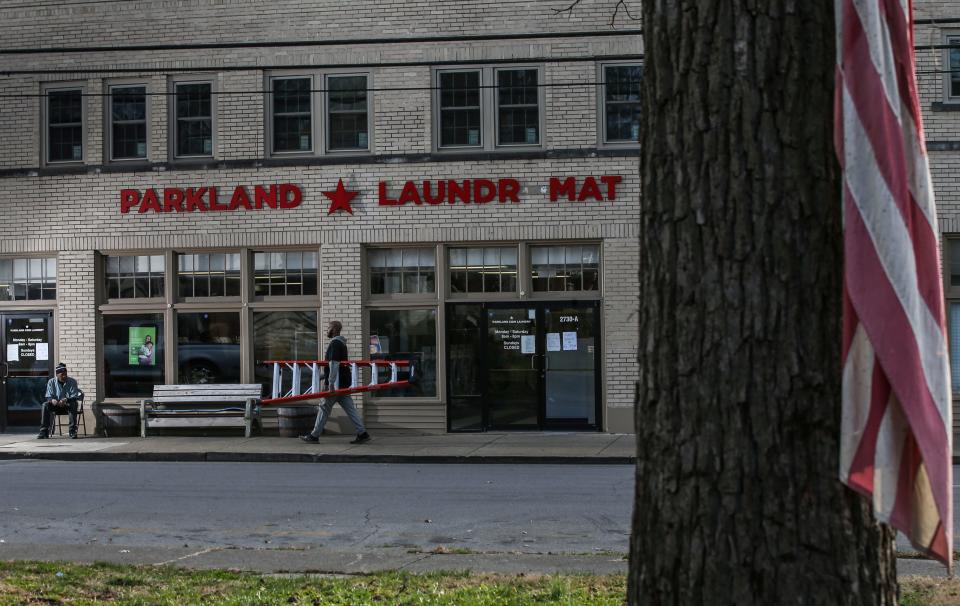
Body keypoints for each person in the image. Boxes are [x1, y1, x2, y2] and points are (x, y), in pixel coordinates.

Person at [300, 320, 371, 444]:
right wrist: (322, 377)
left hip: (336, 385)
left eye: (328, 327)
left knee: (323, 407)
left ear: (333, 329)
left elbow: (334, 364)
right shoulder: (341, 344)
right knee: (351, 409)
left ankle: (314, 436)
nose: (327, 330)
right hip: (343, 384)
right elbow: (334, 366)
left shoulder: (335, 343)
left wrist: (330, 383)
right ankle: (362, 433)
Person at [37, 362, 81, 439]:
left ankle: (72, 431)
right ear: (57, 375)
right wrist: (52, 400)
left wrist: (66, 399)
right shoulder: (51, 382)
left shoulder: (72, 381)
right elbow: (48, 396)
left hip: (67, 405)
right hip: (56, 405)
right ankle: (44, 431)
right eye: (62, 374)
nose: (64, 376)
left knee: (74, 404)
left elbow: (75, 396)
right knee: (45, 405)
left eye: (65, 374)